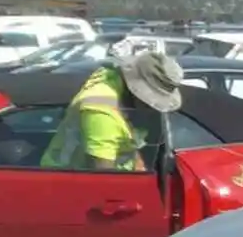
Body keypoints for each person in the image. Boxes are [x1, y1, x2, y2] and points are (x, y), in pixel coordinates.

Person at [39, 48, 185, 171]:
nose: (151, 106)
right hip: (67, 182)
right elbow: (105, 174)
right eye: (151, 99)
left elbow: (130, 142)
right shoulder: (100, 109)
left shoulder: (114, 81)